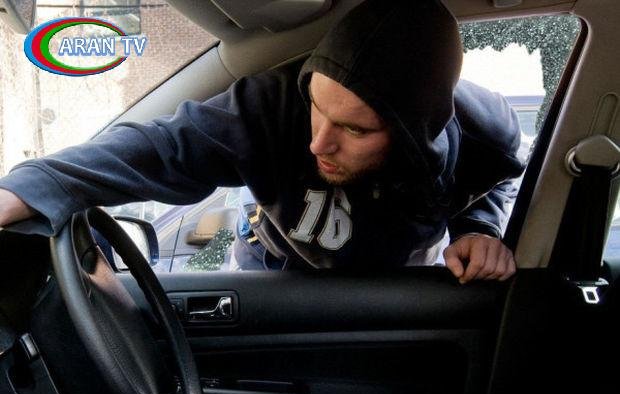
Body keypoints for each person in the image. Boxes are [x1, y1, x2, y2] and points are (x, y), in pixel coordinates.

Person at [0, 0, 524, 283]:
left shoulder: (486, 137)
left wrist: (477, 229)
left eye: (355, 129)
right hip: (274, 268)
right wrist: (29, 187)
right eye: (317, 107)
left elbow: (495, 182)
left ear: (416, 130)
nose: (318, 143)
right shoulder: (272, 107)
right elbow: (162, 148)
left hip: (395, 289)